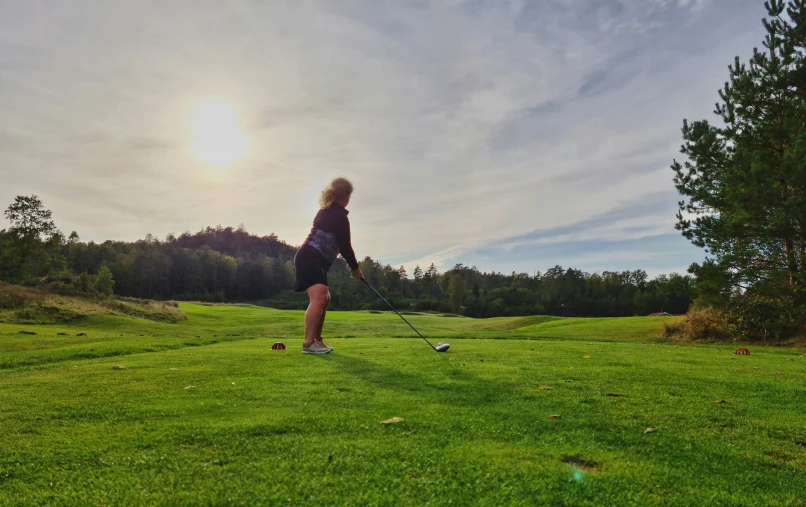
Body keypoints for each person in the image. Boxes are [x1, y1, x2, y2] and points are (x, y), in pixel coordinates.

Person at [294, 177, 364, 354]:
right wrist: (355, 269)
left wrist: (353, 267)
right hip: (310, 258)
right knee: (319, 298)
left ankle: (317, 340)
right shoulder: (338, 216)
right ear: (346, 196)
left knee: (325, 298)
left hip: (310, 259)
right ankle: (308, 344)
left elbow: (341, 247)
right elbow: (346, 246)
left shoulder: (326, 211)